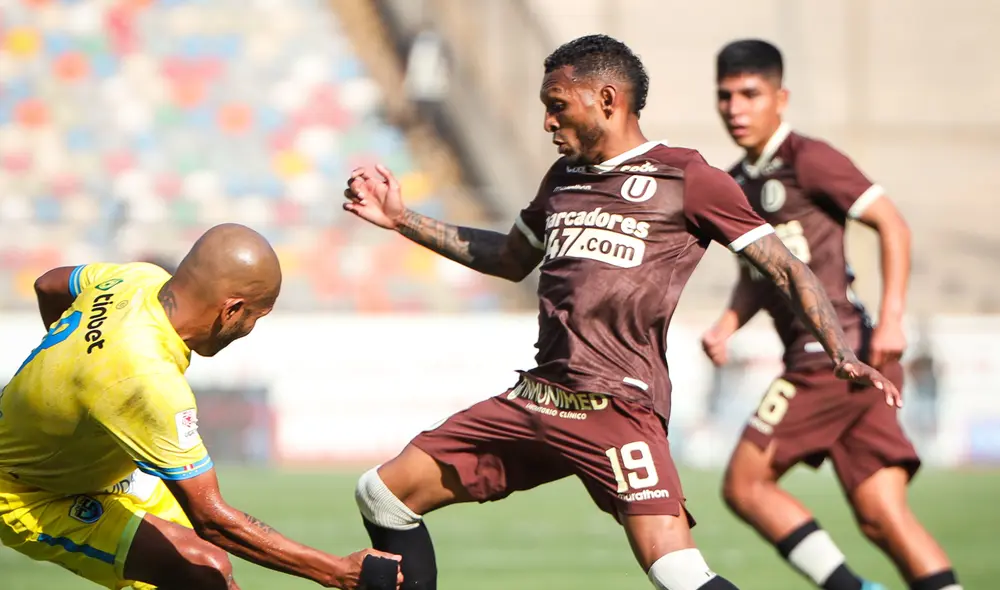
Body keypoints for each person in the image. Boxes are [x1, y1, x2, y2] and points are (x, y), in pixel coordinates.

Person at [343, 34, 900, 590]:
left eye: (556, 104)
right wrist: (403, 220)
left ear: (607, 100)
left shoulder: (687, 176)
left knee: (677, 572)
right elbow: (511, 257)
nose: (546, 122)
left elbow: (786, 266)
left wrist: (841, 354)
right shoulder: (562, 179)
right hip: (539, 397)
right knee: (383, 495)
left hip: (617, 406)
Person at [0, 223, 402, 590]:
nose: (250, 330)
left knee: (207, 578)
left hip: (96, 470)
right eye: (254, 317)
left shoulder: (137, 278)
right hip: (27, 492)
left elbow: (49, 283)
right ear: (231, 309)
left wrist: (76, 368)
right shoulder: (146, 379)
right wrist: (335, 571)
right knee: (203, 569)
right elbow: (212, 520)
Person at [702, 39, 962, 590]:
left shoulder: (809, 159)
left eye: (751, 94)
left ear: (781, 97)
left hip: (832, 356)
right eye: (726, 96)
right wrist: (729, 323)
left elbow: (893, 224)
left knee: (745, 486)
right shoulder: (736, 182)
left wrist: (893, 319)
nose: (736, 109)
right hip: (849, 363)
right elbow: (761, 275)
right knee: (881, 516)